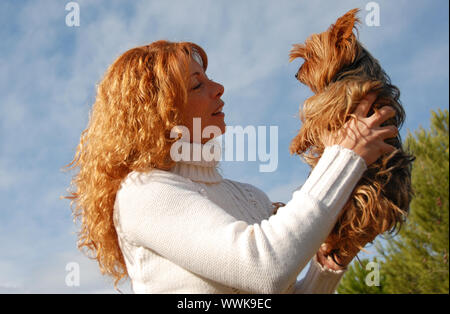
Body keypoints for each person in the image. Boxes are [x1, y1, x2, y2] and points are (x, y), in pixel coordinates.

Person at [65, 40, 398, 294]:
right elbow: (265, 267)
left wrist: (328, 264)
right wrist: (343, 155)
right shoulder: (143, 193)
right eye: (197, 84)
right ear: (159, 113)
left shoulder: (250, 197)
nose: (218, 88)